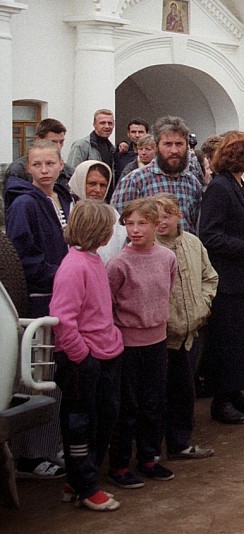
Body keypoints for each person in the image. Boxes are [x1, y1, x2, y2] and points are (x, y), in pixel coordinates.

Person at [49, 200, 125, 511]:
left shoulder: (92, 260)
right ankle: (86, 485)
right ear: (97, 231)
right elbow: (62, 319)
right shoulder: (74, 266)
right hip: (83, 361)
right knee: (80, 424)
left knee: (104, 418)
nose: (111, 234)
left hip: (105, 353)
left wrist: (112, 339)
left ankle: (78, 481)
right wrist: (82, 356)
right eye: (108, 228)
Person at [5, 138, 72, 481]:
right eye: (37, 164)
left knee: (56, 377)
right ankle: (30, 456)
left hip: (63, 298)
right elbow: (23, 258)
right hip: (40, 299)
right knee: (38, 377)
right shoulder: (24, 204)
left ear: (61, 164)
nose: (44, 170)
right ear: (28, 167)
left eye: (50, 163)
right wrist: (65, 274)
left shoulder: (63, 197)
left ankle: (48, 446)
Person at [198, 132, 244, 423]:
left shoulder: (238, 183)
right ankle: (221, 400)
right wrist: (243, 247)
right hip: (226, 280)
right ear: (238, 156)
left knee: (243, 340)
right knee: (227, 342)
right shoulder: (220, 187)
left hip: (242, 276)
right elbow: (209, 235)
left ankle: (235, 391)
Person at [106, 198, 177, 489]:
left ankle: (149, 457)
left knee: (153, 402)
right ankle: (119, 464)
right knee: (127, 406)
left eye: (142, 223)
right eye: (130, 223)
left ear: (156, 225)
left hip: (157, 341)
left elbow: (167, 289)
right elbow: (109, 302)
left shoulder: (167, 257)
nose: (135, 229)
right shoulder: (118, 264)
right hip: (128, 345)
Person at [152, 194, 217, 459]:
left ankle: (179, 443)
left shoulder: (193, 243)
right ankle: (151, 450)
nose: (161, 222)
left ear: (179, 216)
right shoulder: (149, 247)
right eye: (156, 217)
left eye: (166, 216)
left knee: (185, 389)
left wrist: (203, 305)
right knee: (158, 393)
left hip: (191, 331)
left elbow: (209, 277)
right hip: (161, 335)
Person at [112, 116, 205, 233]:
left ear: (187, 146)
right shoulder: (135, 180)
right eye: (168, 144)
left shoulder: (193, 183)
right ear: (156, 146)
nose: (174, 150)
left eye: (179, 144)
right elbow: (118, 226)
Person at [4, 118, 73, 209]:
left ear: (61, 165)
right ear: (38, 139)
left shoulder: (68, 171)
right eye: (53, 142)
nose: (58, 146)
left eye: (61, 142)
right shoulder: (17, 171)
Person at [67, 109, 116, 191]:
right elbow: (71, 174)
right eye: (102, 123)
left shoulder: (112, 148)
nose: (107, 126)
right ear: (94, 124)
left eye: (110, 123)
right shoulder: (81, 145)